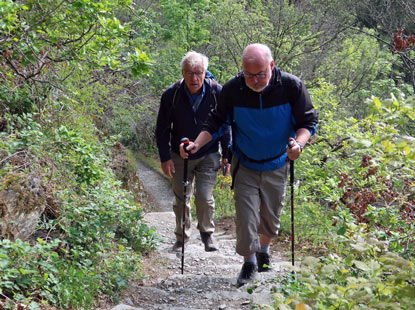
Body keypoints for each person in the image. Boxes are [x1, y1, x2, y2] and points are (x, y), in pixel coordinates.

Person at [180, 44, 318, 286]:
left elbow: (308, 121)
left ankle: (264, 249)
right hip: (245, 164)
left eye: (260, 74)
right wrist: (196, 145)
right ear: (242, 70)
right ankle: (249, 263)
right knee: (246, 219)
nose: (254, 80)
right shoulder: (234, 90)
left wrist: (299, 145)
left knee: (271, 220)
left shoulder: (291, 86)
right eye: (249, 74)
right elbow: (215, 121)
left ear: (271, 66)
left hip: (277, 163)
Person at [155, 51, 231, 253]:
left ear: (206, 72)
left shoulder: (217, 92)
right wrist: (165, 158)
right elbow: (162, 129)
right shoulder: (171, 95)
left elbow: (225, 125)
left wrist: (227, 155)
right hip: (179, 155)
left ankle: (207, 234)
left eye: (198, 73)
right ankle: (181, 238)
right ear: (182, 73)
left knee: (204, 197)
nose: (194, 78)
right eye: (189, 73)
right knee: (181, 198)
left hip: (209, 153)